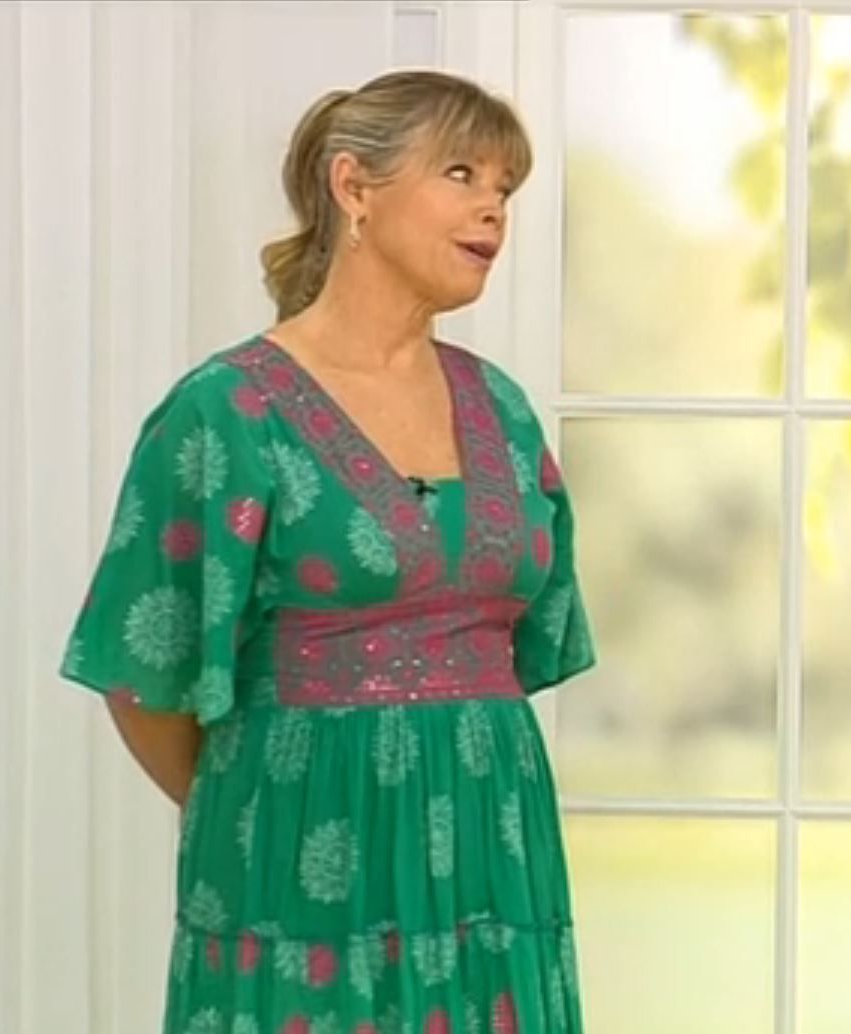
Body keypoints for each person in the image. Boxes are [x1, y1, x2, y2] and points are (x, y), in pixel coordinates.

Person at [60, 68, 596, 1034]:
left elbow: (523, 649)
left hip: (495, 860)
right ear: (354, 187)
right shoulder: (228, 409)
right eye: (462, 174)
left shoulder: (502, 409)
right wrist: (267, 798)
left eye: (505, 187)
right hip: (295, 863)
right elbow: (142, 674)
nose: (493, 209)